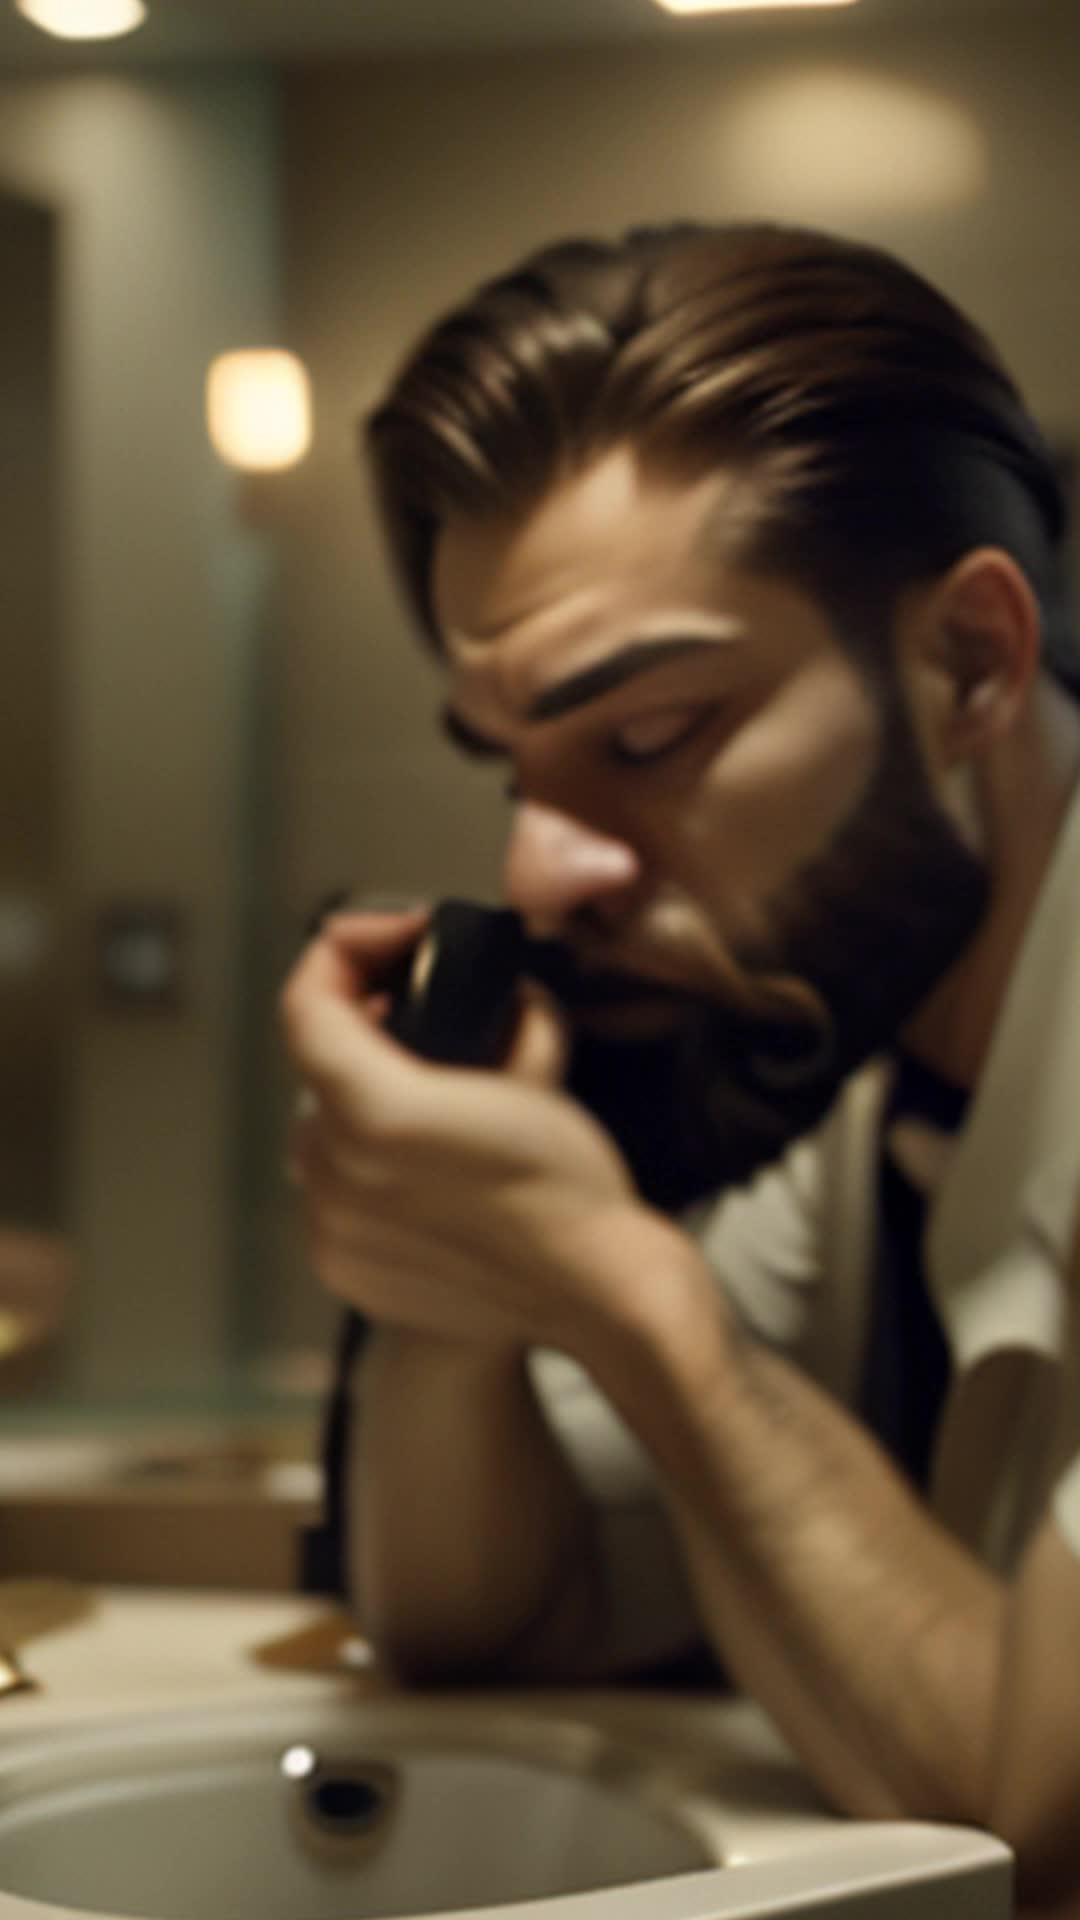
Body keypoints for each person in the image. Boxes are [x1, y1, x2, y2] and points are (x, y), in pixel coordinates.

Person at [282, 222, 1080, 1913]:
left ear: (972, 664)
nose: (539, 875)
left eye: (649, 739)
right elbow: (483, 1623)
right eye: (514, 765)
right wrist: (457, 1274)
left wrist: (631, 1296)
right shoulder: (853, 1069)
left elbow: (1046, 1827)